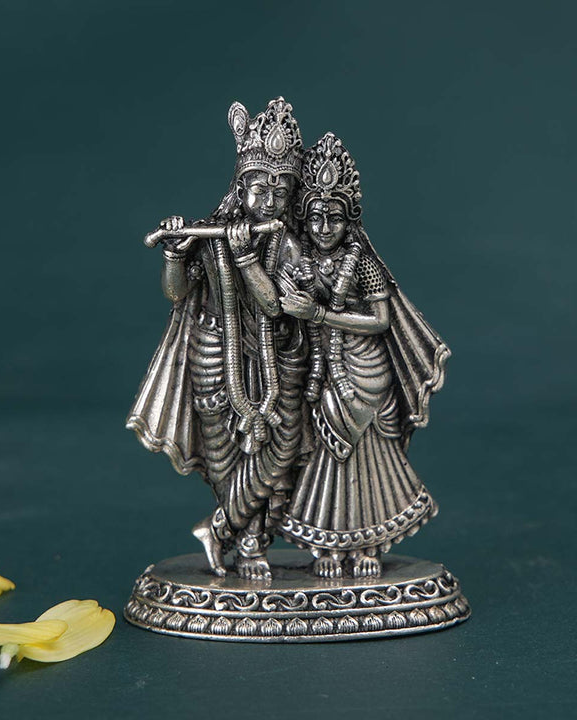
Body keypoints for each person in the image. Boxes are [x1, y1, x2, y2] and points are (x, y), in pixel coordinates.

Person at [127, 98, 307, 580]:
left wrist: (246, 258)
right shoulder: (211, 234)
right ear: (240, 187)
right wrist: (174, 253)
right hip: (212, 353)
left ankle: (220, 529)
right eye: (259, 189)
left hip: (278, 354)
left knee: (282, 449)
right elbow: (176, 293)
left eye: (281, 192)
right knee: (224, 456)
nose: (269, 203)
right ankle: (247, 544)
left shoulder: (288, 244)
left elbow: (275, 305)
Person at [278, 132, 450, 578]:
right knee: (328, 453)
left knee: (370, 455)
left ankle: (368, 544)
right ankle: (328, 543)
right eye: (315, 218)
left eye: (334, 218)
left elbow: (380, 320)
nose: (324, 228)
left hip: (366, 369)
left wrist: (318, 313)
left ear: (349, 220)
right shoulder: (300, 261)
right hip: (323, 370)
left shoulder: (364, 264)